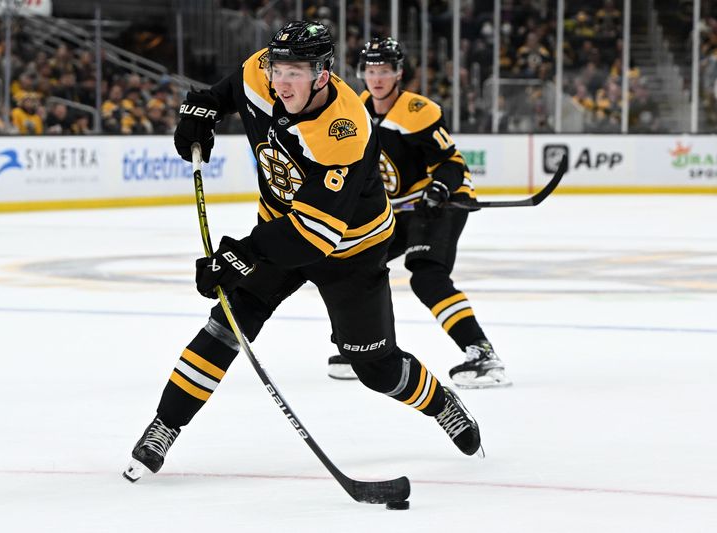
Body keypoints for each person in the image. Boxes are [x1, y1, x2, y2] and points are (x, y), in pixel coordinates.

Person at [124, 21, 482, 483]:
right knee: (226, 324)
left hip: (351, 251)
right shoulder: (261, 72)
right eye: (278, 68)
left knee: (374, 366)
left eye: (296, 71)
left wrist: (237, 257)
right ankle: (164, 427)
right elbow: (224, 92)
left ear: (323, 74)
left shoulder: (344, 131)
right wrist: (199, 112)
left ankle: (442, 405)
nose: (282, 81)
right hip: (279, 229)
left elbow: (313, 237)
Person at [327, 38, 511, 388]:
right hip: (400, 209)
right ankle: (364, 348)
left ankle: (482, 353)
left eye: (384, 70)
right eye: (370, 70)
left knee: (427, 275)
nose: (377, 78)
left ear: (398, 73)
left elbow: (451, 163)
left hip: (441, 202)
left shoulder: (419, 111)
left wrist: (439, 189)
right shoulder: (357, 110)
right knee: (353, 264)